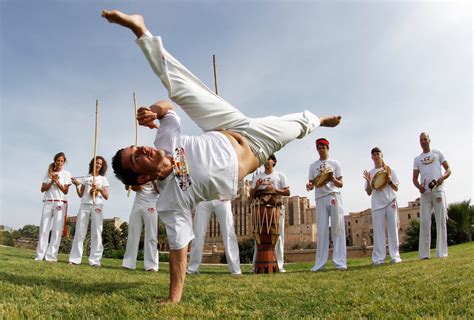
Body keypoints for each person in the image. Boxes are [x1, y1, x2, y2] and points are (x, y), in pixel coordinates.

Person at [102, 9, 341, 303]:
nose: (142, 149)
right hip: (258, 147)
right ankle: (317, 120)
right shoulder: (169, 201)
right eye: (136, 157)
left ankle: (141, 31)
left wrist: (155, 109)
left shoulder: (164, 140)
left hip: (228, 125)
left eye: (136, 147)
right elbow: (178, 247)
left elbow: (169, 106)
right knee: (297, 126)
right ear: (141, 176)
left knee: (180, 88)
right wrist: (174, 296)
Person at [306, 138, 347, 271]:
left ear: (328, 148)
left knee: (337, 229)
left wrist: (332, 179)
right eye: (319, 147)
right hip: (320, 198)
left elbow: (341, 184)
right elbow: (311, 184)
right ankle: (320, 263)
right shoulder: (313, 166)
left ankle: (340, 262)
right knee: (322, 231)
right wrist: (309, 186)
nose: (321, 149)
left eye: (323, 147)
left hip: (333, 195)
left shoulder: (335, 163)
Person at [412, 132, 451, 259]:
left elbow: (448, 169)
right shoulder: (417, 159)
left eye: (425, 139)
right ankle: (424, 254)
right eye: (421, 140)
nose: (423, 141)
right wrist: (419, 187)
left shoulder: (437, 153)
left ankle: (441, 253)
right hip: (425, 194)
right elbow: (414, 179)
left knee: (440, 221)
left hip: (438, 190)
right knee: (424, 222)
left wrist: (442, 178)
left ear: (429, 140)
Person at [250, 154, 290, 273]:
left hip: (275, 208)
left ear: (274, 161)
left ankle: (279, 265)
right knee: (258, 238)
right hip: (260, 209)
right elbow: (251, 194)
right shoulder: (257, 177)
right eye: (265, 159)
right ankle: (256, 265)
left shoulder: (280, 175)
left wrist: (275, 190)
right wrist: (257, 187)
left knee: (278, 236)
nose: (267, 161)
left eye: (269, 159)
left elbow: (287, 191)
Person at [363, 147, 402, 265]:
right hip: (377, 204)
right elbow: (369, 192)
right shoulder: (370, 173)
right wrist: (369, 181)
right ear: (371, 157)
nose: (376, 156)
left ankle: (395, 256)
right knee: (378, 232)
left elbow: (396, 188)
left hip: (390, 202)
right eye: (373, 154)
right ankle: (378, 258)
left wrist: (389, 180)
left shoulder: (390, 170)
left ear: (381, 155)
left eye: (377, 154)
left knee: (392, 230)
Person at [69, 156, 110, 267]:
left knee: (97, 232)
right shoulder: (85, 177)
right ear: (92, 163)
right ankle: (74, 259)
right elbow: (81, 194)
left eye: (100, 164)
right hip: (85, 205)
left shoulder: (103, 179)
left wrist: (98, 188)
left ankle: (95, 261)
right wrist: (77, 185)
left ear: (102, 166)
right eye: (96, 163)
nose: (98, 165)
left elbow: (106, 196)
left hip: (97, 205)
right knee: (80, 231)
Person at [187, 200, 241, 275]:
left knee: (229, 233)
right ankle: (192, 269)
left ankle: (236, 270)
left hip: (222, 198)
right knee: (197, 233)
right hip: (204, 198)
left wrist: (229, 194)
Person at [35, 152, 71, 262]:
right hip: (48, 202)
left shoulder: (66, 174)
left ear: (64, 162)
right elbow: (42, 189)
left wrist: (57, 182)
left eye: (62, 161)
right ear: (55, 161)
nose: (60, 162)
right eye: (58, 160)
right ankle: (40, 255)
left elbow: (65, 190)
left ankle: (51, 256)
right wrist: (52, 181)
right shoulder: (49, 173)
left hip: (60, 203)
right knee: (44, 229)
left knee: (56, 230)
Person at [122, 181, 160, 272]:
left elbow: (160, 190)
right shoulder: (138, 170)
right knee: (133, 233)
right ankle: (128, 263)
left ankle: (151, 265)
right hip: (138, 203)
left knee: (151, 235)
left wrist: (153, 180)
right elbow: (129, 187)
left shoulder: (157, 172)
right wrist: (129, 180)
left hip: (152, 203)